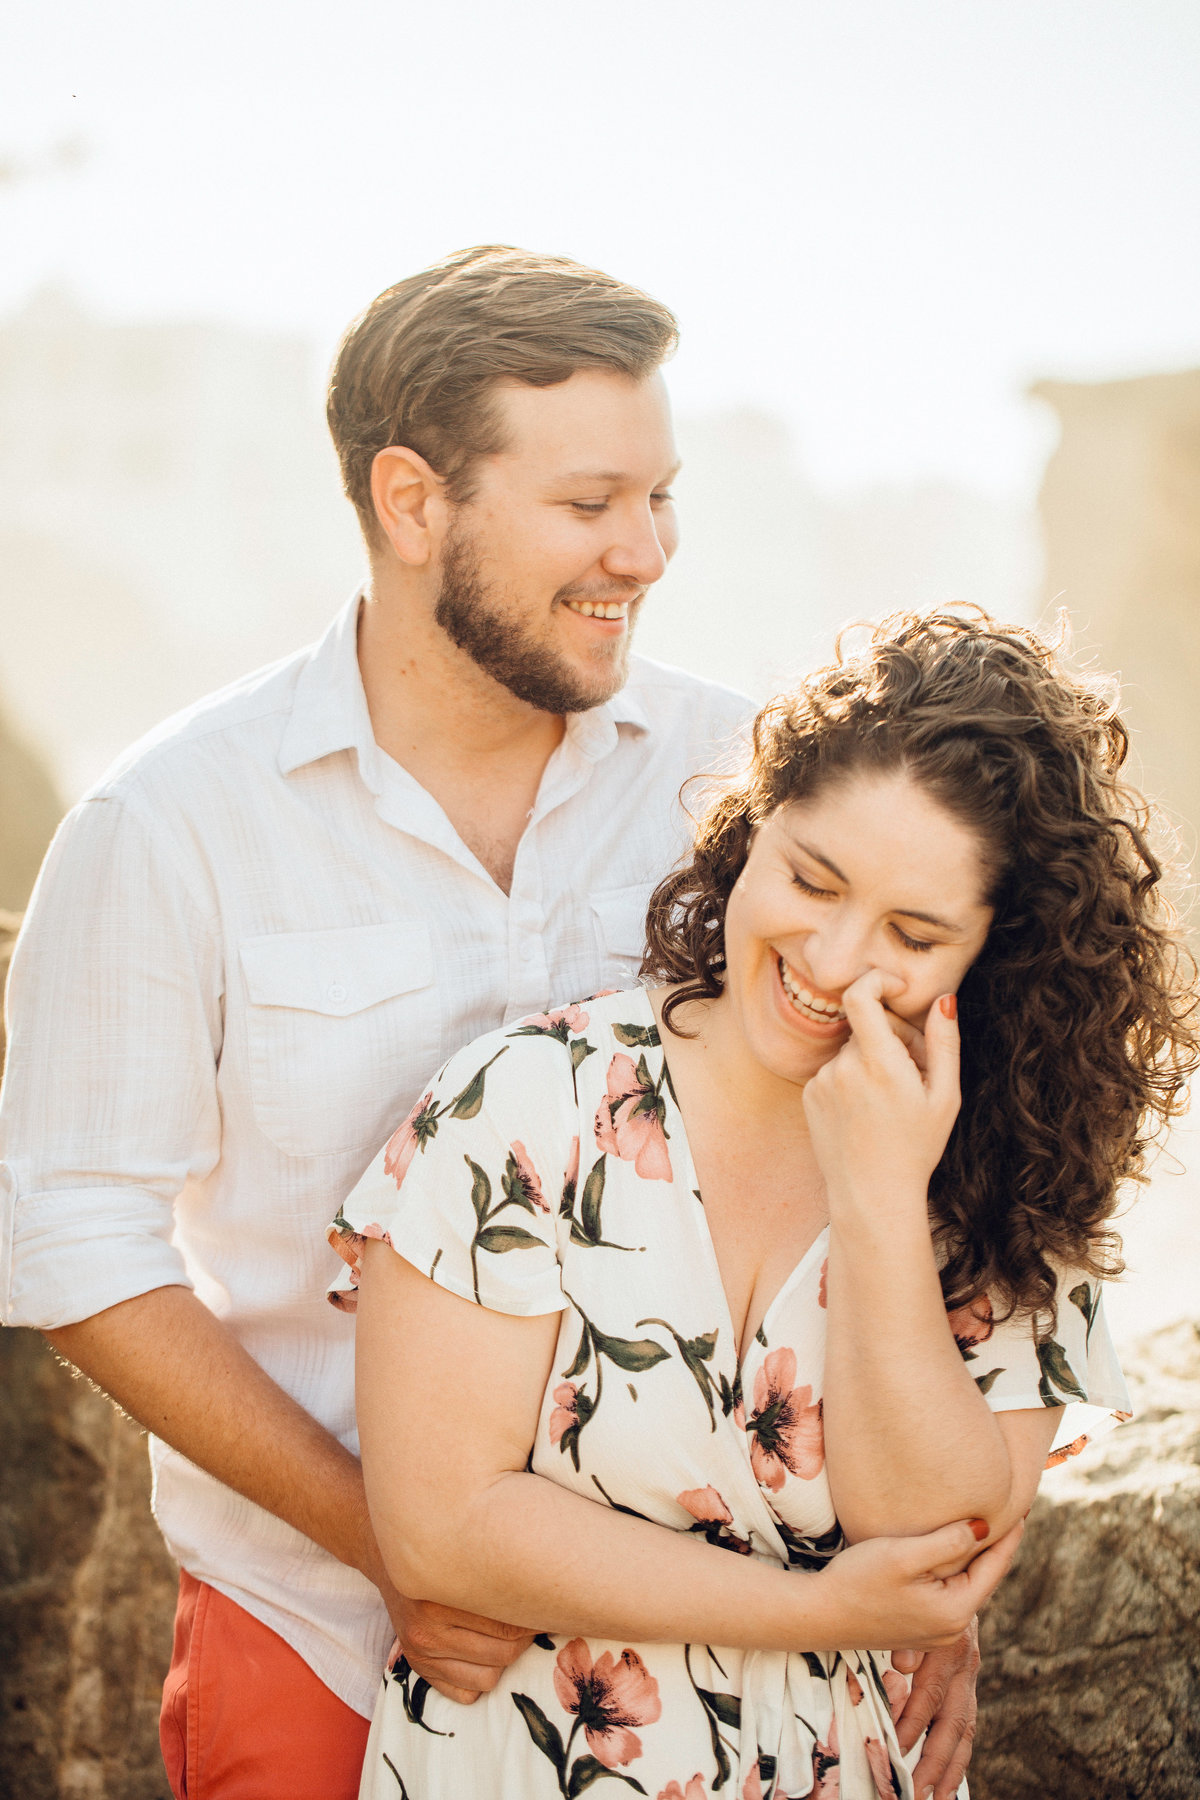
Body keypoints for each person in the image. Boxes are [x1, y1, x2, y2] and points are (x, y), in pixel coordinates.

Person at [0, 248, 979, 1800]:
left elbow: (894, 1137)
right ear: (411, 503)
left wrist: (908, 1560)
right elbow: (73, 1242)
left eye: (663, 500)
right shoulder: (166, 826)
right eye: (591, 506)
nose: (646, 553)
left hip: (726, 1659)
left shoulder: (747, 784)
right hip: (324, 1629)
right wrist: (390, 1540)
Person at [330, 610, 1197, 1799]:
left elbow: (930, 1542)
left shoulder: (1012, 1194)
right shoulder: (528, 1105)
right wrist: (811, 1612)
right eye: (812, 878)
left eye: (914, 932)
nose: (836, 961)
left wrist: (883, 1196)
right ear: (751, 831)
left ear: (994, 957)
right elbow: (444, 1527)